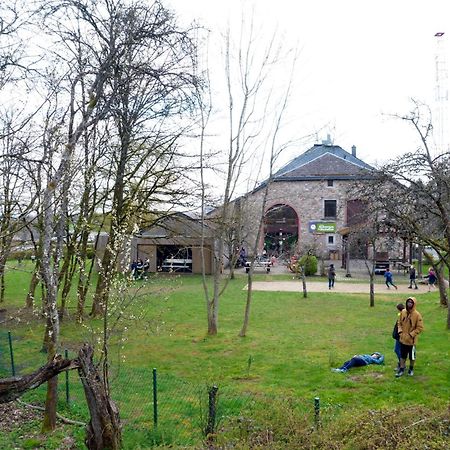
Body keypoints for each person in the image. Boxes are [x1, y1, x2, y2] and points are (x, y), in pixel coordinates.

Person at [395, 297, 424, 377]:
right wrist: (400, 331)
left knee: (412, 356)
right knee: (402, 355)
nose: (409, 304)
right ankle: (401, 369)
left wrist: (411, 335)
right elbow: (399, 323)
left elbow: (420, 327)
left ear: (414, 304)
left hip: (411, 341)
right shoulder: (403, 312)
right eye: (408, 302)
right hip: (403, 339)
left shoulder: (417, 315)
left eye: (411, 302)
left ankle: (411, 369)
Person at [392, 303, 405, 371]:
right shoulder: (400, 314)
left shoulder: (403, 316)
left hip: (400, 337)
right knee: (398, 350)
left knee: (397, 350)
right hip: (398, 336)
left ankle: (401, 364)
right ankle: (401, 363)